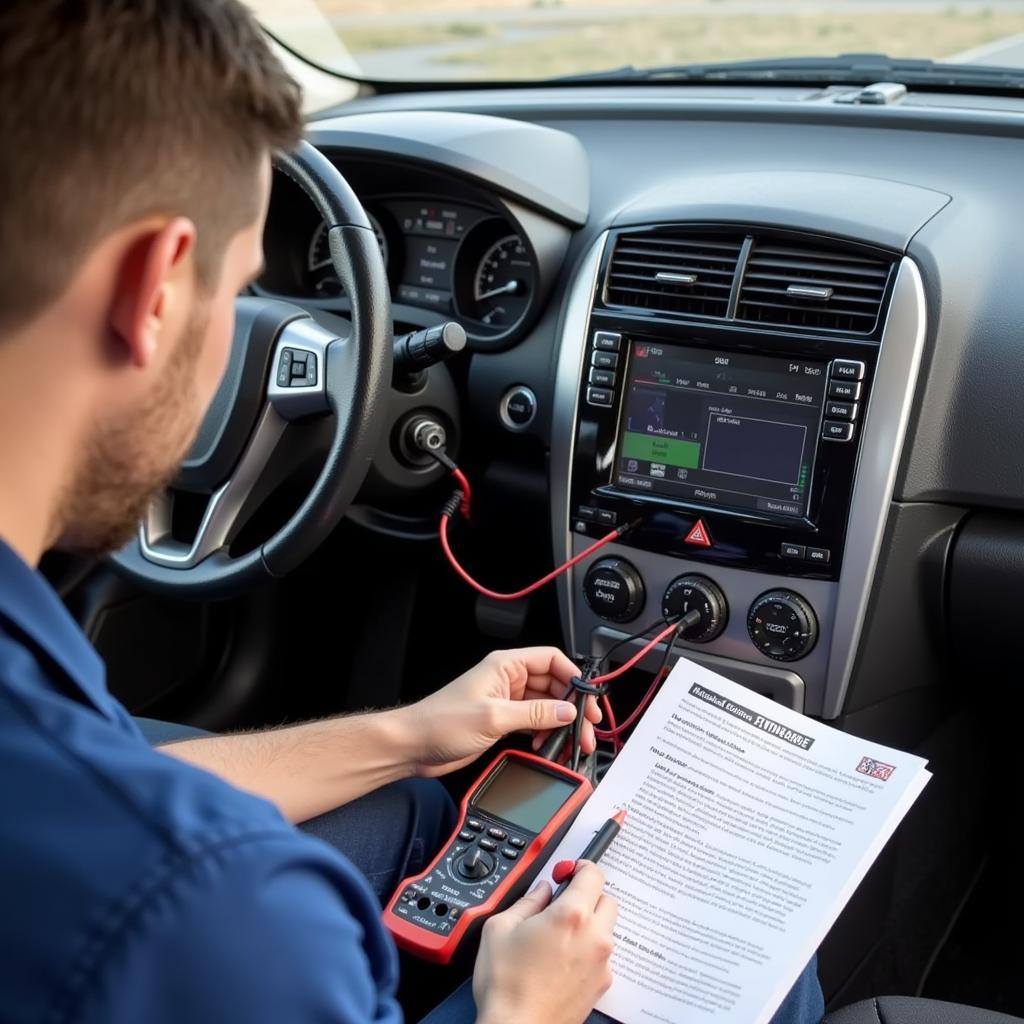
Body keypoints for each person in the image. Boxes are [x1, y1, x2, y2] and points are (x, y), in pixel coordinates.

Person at [0, 3, 825, 1022]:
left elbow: (107, 764)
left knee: (414, 805)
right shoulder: (210, 908)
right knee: (735, 955)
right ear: (155, 286)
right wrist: (520, 1009)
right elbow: (140, 827)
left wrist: (404, 731)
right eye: (243, 284)